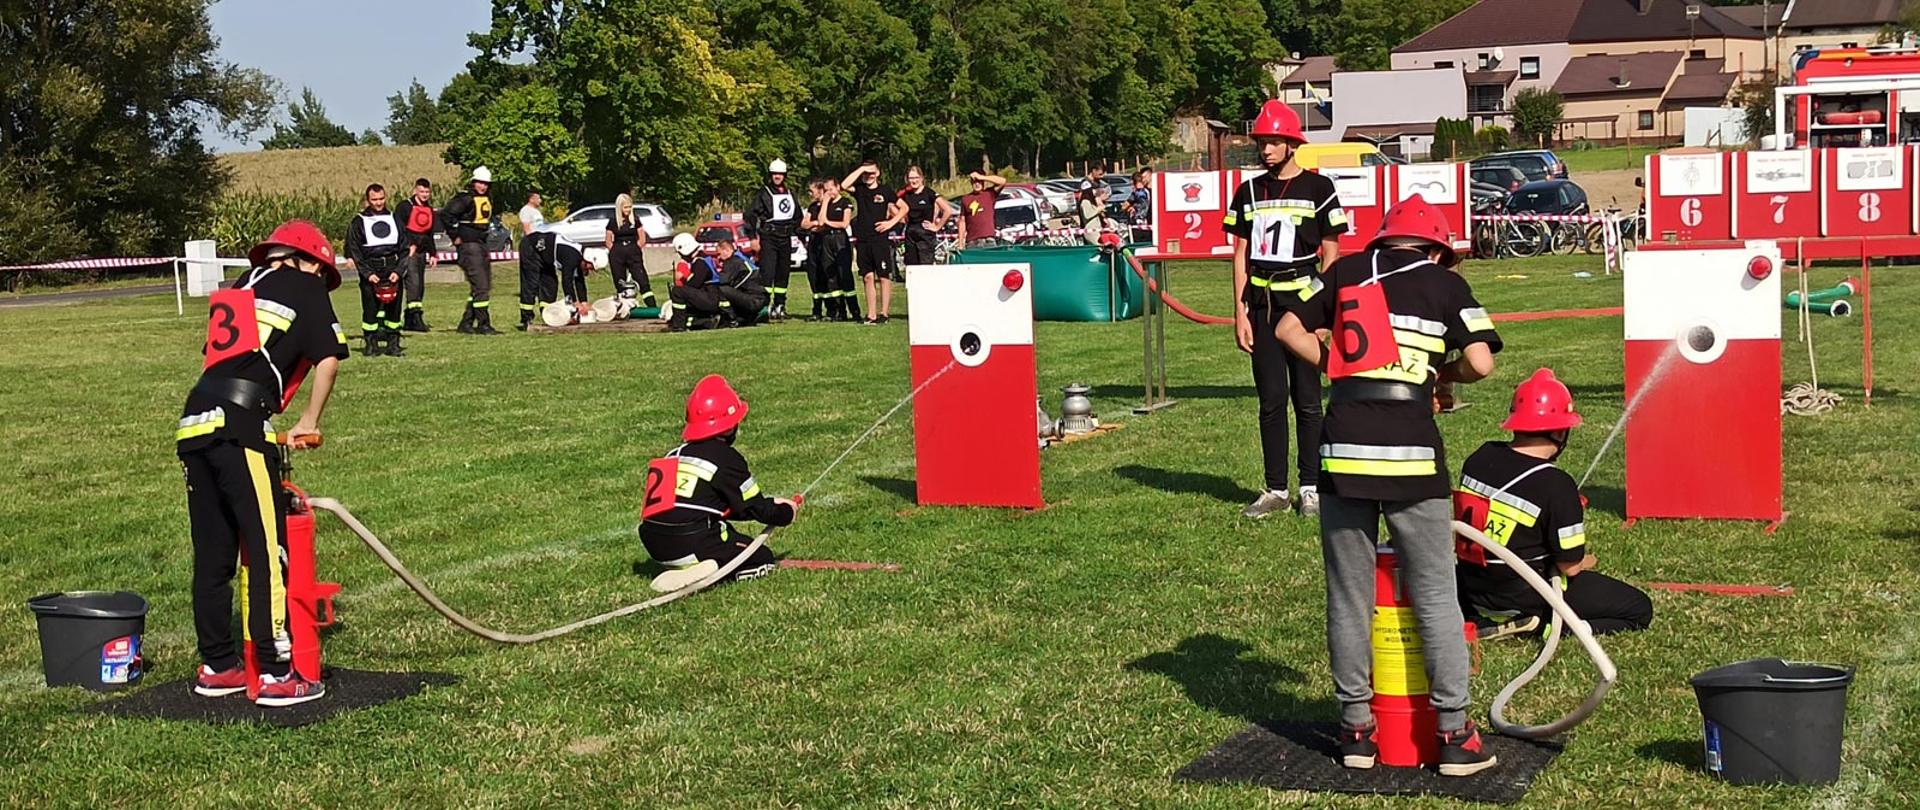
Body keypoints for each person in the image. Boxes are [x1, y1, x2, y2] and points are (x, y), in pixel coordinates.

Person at [1273, 195, 1502, 776]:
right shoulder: (1446, 285)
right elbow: (1481, 362)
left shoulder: (1345, 270)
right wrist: (1438, 375)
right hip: (1412, 455)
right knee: (1433, 594)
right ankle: (1455, 735)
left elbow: (1286, 326)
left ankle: (1355, 731)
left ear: (1383, 239)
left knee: (1350, 596)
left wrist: (1329, 362)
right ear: (1436, 249)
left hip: (1343, 449)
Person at [180, 220, 349, 708]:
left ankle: (218, 666)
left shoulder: (240, 287)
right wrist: (308, 421)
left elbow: (215, 354)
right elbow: (328, 358)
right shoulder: (306, 285)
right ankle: (277, 672)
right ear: (310, 260)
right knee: (266, 548)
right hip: (240, 427)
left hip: (194, 422)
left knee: (213, 555)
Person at [1455, 369, 1653, 637]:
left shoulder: (1479, 457)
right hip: (1527, 595)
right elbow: (1568, 567)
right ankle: (1553, 628)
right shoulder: (1556, 484)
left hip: (1471, 586)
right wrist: (1584, 561)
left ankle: (1483, 617)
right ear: (1560, 431)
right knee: (1638, 608)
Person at [1223, 100, 1348, 518]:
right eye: (1262, 142)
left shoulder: (1319, 187)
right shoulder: (1249, 191)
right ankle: (1276, 488)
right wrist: (1240, 311)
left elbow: (1332, 252)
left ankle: (1310, 487)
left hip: (1304, 307)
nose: (1266, 149)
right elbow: (1240, 252)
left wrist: (1324, 312)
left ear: (1293, 144)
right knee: (1271, 400)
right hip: (1262, 305)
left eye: (1274, 141)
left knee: (1309, 400)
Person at [639, 374, 799, 592]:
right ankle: (711, 568)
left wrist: (773, 502)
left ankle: (688, 565)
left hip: (655, 546)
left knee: (726, 531)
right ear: (727, 426)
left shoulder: (674, 455)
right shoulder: (726, 458)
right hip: (692, 543)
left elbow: (696, 506)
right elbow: (756, 508)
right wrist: (785, 513)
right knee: (762, 557)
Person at [343, 183, 408, 357]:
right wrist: (367, 273)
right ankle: (371, 344)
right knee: (370, 309)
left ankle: (393, 344)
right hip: (371, 268)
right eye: (374, 200)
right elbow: (355, 250)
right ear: (368, 200)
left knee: (394, 309)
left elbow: (404, 247)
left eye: (381, 199)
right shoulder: (359, 221)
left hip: (392, 267)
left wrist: (399, 271)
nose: (379, 203)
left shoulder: (395, 218)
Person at [442, 166, 501, 334]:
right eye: (480, 183)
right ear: (474, 182)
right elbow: (446, 215)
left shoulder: (486, 197)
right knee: (481, 285)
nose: (483, 186)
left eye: (486, 183)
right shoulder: (465, 198)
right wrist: (455, 236)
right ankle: (483, 324)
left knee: (483, 286)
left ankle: (466, 323)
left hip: (481, 243)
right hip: (469, 245)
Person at [845, 161, 903, 325]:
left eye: (871, 173)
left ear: (878, 173)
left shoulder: (885, 190)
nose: (868, 176)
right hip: (863, 240)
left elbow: (903, 208)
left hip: (880, 239)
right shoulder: (860, 189)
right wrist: (862, 169)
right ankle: (871, 314)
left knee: (884, 276)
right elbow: (844, 184)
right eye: (866, 174)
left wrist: (890, 223)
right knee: (867, 277)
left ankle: (884, 313)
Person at [745, 159, 801, 321]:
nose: (777, 177)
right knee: (767, 273)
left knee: (783, 273)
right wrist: (752, 238)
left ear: (784, 175)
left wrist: (802, 234)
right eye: (775, 174)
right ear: (771, 175)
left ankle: (780, 305)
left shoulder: (790, 193)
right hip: (769, 237)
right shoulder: (763, 193)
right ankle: (764, 306)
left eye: (780, 174)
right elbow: (750, 215)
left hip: (786, 237)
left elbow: (797, 216)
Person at [516, 230, 592, 330]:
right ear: (586, 260)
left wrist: (584, 302)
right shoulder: (572, 257)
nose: (588, 271)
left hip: (546, 256)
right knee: (531, 283)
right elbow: (567, 281)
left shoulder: (579, 256)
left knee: (550, 284)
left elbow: (579, 280)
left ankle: (547, 315)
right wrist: (574, 302)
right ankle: (526, 318)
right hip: (530, 247)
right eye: (589, 268)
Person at [393, 178, 437, 333]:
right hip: (409, 251)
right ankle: (415, 317)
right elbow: (398, 228)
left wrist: (433, 253)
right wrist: (407, 246)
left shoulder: (429, 209)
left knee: (420, 287)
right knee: (413, 284)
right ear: (415, 191)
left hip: (422, 251)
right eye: (421, 191)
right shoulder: (405, 207)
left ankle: (410, 319)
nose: (424, 195)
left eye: (427, 192)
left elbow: (429, 233)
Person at [605, 194, 659, 310]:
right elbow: (608, 240)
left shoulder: (635, 220)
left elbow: (642, 238)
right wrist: (615, 251)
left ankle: (652, 307)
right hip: (617, 254)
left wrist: (634, 249)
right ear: (619, 208)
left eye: (630, 207)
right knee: (620, 282)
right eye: (625, 207)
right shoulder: (613, 221)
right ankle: (624, 308)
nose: (628, 210)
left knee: (642, 280)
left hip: (633, 253)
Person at [819, 177, 861, 322]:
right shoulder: (826, 203)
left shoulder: (845, 203)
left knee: (845, 275)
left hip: (840, 239)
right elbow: (820, 221)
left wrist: (828, 223)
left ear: (837, 188)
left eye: (831, 189)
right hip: (827, 240)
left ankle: (854, 311)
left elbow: (844, 223)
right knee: (831, 276)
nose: (829, 192)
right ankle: (839, 311)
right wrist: (824, 202)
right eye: (826, 190)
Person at [667, 233, 726, 332]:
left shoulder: (700, 263)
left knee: (678, 291)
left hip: (710, 299)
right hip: (712, 296)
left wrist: (681, 286)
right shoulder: (704, 259)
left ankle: (679, 326)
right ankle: (705, 322)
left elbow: (693, 285)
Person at [897, 165, 953, 266]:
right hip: (910, 234)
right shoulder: (906, 194)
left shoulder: (929, 193)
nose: (913, 181)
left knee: (925, 268)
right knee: (911, 268)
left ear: (921, 178)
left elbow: (947, 210)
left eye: (916, 178)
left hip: (925, 235)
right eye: (911, 178)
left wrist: (937, 227)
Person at [800, 179, 836, 321]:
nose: (810, 194)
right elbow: (804, 224)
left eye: (812, 191)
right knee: (813, 276)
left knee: (826, 276)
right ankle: (816, 310)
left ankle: (832, 310)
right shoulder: (812, 206)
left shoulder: (829, 206)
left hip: (825, 243)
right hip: (813, 244)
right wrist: (813, 223)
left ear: (821, 190)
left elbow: (823, 224)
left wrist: (816, 224)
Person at [713, 236, 768, 327]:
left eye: (719, 254)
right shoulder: (741, 257)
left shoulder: (732, 262)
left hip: (753, 300)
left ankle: (731, 318)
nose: (719, 258)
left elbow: (722, 280)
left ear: (726, 250)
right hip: (760, 297)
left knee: (722, 289)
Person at [956, 171, 1007, 248]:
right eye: (974, 182)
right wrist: (960, 243)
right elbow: (962, 221)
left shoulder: (989, 194)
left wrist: (981, 177)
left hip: (988, 240)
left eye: (979, 182)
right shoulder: (966, 199)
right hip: (972, 241)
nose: (977, 184)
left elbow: (1003, 181)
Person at [1077, 163, 1113, 245]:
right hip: (1089, 222)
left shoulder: (1097, 183)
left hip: (1098, 219)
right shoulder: (1085, 184)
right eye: (1100, 174)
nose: (1102, 176)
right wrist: (1099, 198)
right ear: (1093, 171)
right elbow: (1085, 197)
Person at [1128, 167, 1154, 244]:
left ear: (1150, 176)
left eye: (1144, 177)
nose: (1143, 180)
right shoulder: (1140, 192)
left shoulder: (1156, 190)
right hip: (1143, 222)